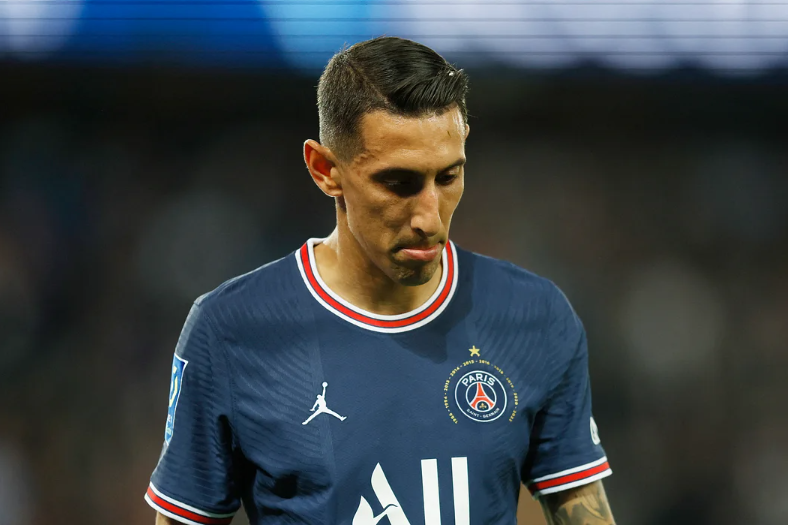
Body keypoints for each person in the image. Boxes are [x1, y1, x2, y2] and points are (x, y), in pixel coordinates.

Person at [145, 36, 616, 525]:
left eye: (448, 177)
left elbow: (584, 509)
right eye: (399, 183)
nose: (429, 218)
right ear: (325, 170)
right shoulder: (230, 330)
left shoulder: (533, 315)